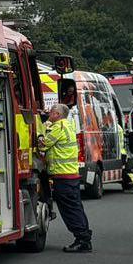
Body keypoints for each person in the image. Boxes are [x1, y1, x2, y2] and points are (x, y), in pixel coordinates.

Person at [38, 104, 92, 252]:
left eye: (51, 112)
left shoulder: (58, 127)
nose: (48, 114)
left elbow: (43, 145)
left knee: (70, 210)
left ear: (57, 114)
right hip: (70, 174)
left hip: (63, 175)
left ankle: (82, 239)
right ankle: (84, 236)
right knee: (76, 207)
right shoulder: (68, 125)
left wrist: (40, 130)